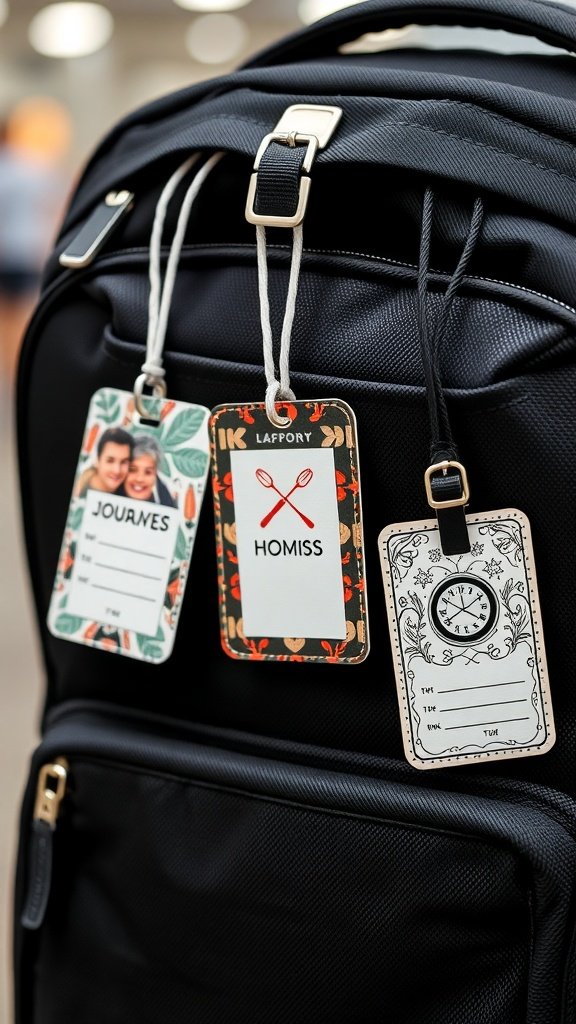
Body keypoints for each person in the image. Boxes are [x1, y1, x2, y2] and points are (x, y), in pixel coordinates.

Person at [73, 427, 133, 498]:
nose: (117, 470)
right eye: (110, 461)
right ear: (97, 460)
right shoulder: (77, 495)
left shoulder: (127, 492)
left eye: (123, 462)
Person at [120, 435, 176, 507]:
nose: (139, 479)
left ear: (155, 475)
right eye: (132, 470)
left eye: (148, 472)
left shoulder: (169, 509)